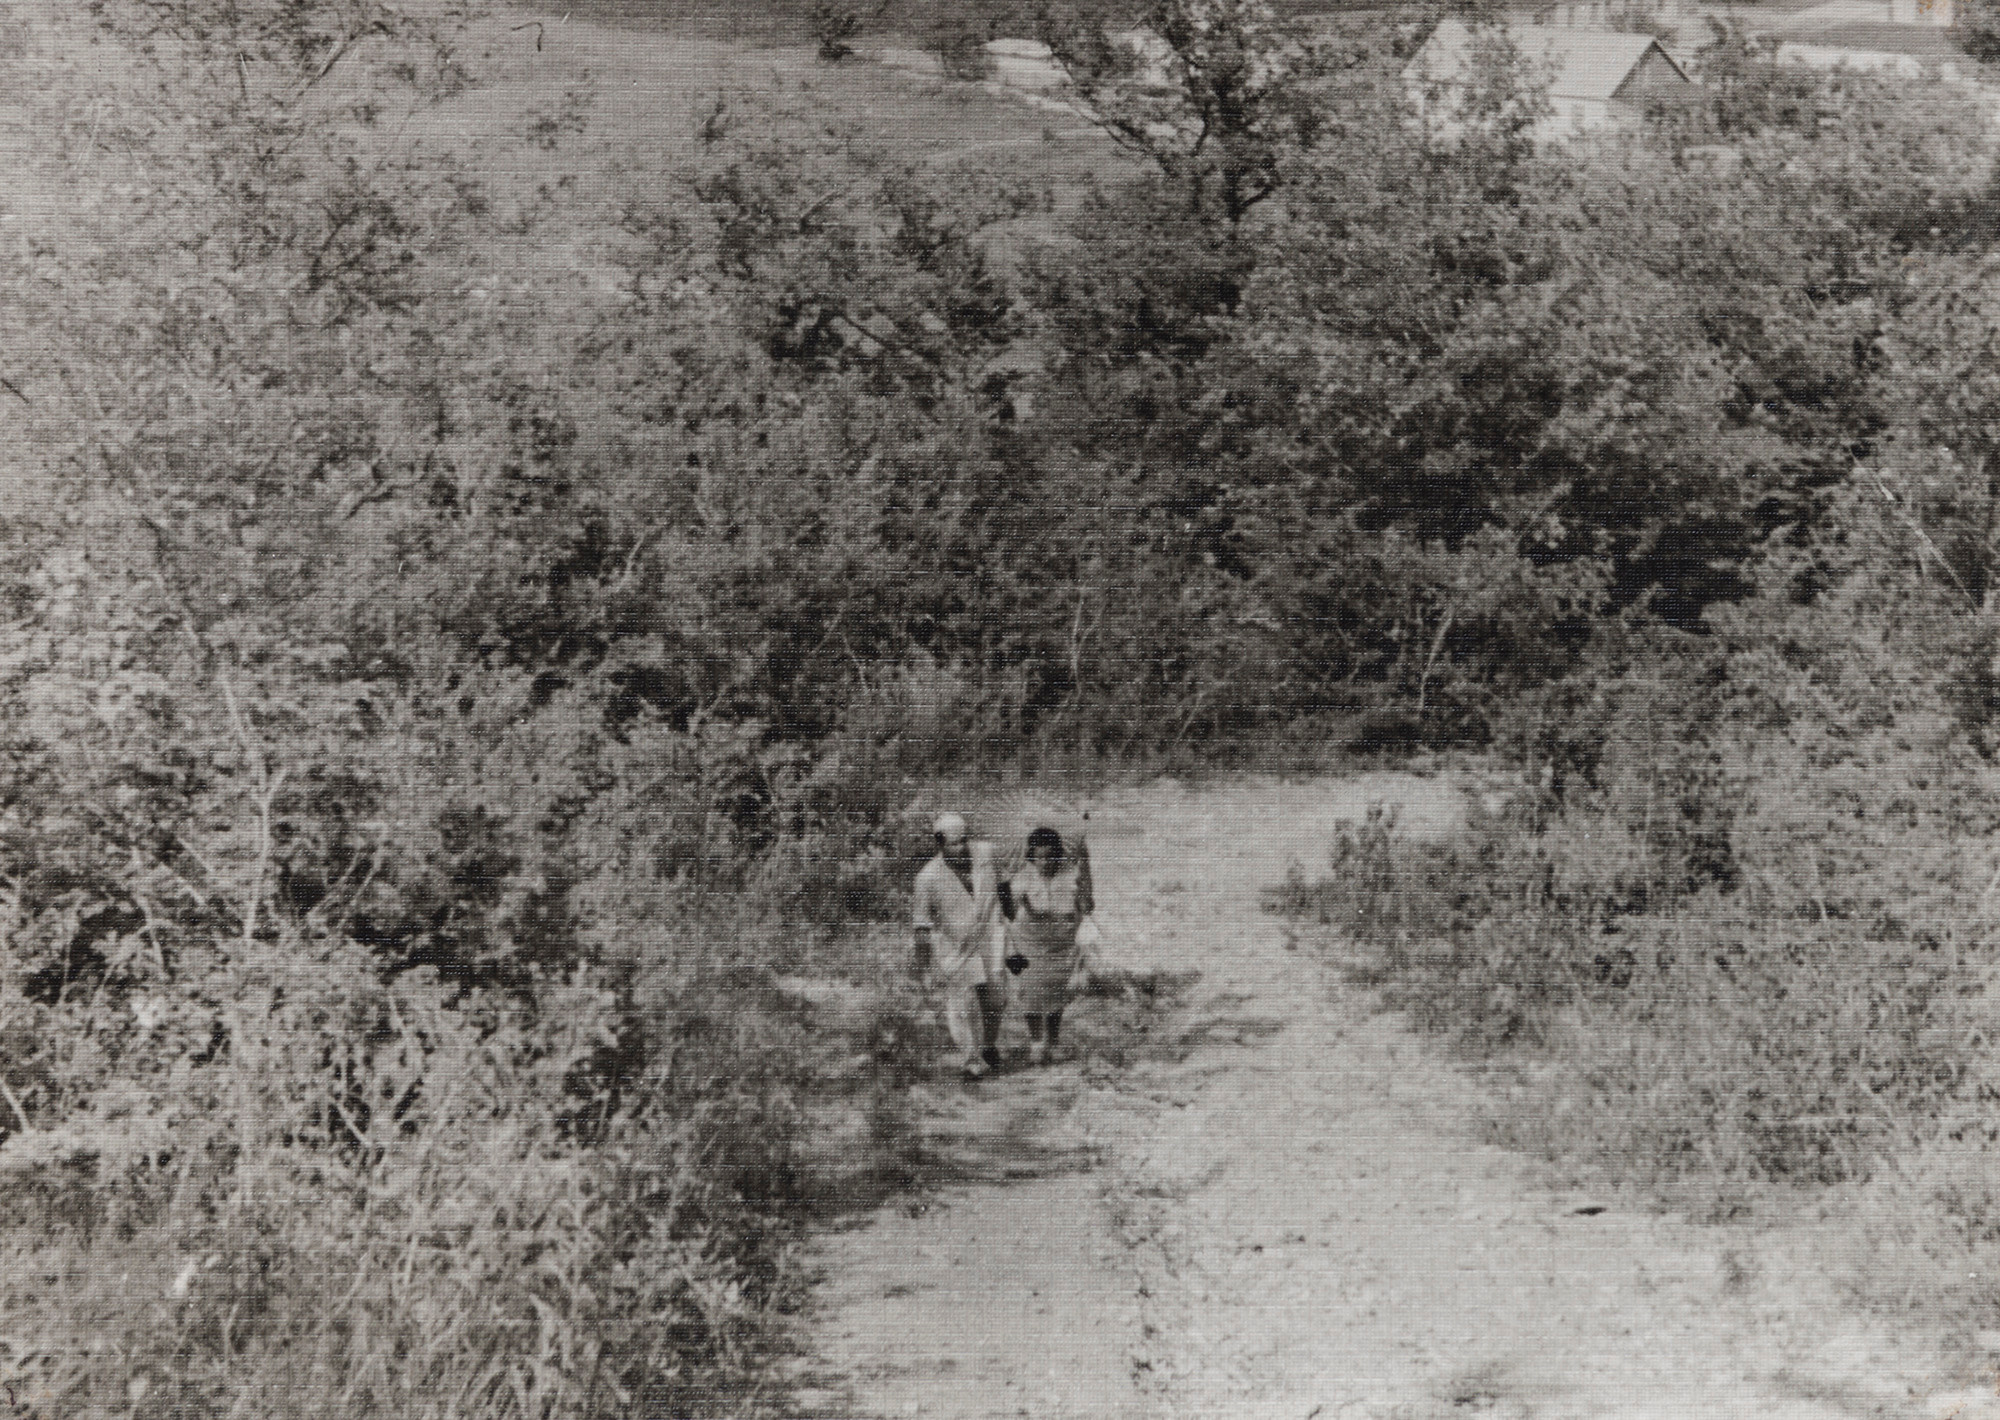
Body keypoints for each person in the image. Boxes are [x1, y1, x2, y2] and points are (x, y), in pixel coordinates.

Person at [911, 812, 1007, 1080]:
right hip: (954, 946)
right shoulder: (927, 878)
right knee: (960, 1006)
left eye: (965, 840)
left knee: (997, 999)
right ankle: (971, 1059)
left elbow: (1004, 885)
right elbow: (921, 925)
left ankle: (988, 1046)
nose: (962, 847)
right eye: (955, 843)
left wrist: (1010, 918)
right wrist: (924, 967)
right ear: (940, 844)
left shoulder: (987, 854)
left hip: (990, 936)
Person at [1001, 825, 1095, 1066]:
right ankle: (1036, 1043)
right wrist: (1004, 888)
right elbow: (1009, 913)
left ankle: (1052, 1042)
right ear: (1032, 856)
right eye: (1039, 857)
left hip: (1061, 942)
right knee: (1030, 991)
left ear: (1059, 854)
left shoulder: (1071, 874)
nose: (1045, 862)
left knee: (1057, 991)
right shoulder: (1022, 877)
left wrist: (1085, 864)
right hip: (1029, 940)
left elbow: (1088, 906)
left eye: (1050, 856)